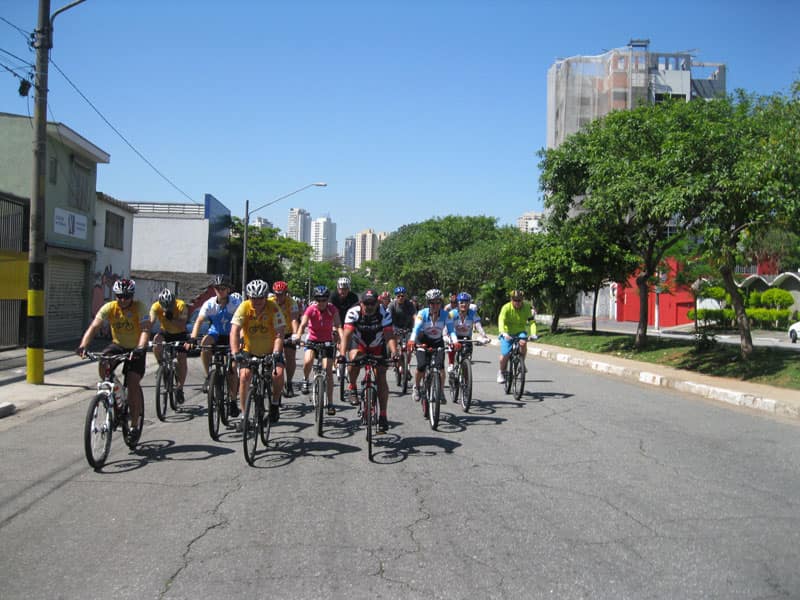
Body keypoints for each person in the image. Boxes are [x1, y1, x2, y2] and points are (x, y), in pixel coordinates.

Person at [77, 278, 150, 439]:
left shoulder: (140, 307)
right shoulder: (109, 307)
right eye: (119, 296)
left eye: (126, 296)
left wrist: (140, 348)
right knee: (103, 362)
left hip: (136, 347)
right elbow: (94, 326)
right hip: (118, 345)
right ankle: (116, 391)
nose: (123, 300)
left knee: (132, 382)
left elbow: (145, 330)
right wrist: (83, 346)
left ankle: (134, 424)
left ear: (132, 296)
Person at [339, 289, 398, 432]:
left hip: (377, 345)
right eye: (366, 303)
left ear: (377, 303)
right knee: (353, 360)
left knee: (381, 377)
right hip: (358, 343)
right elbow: (347, 335)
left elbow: (389, 335)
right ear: (361, 303)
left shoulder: (384, 313)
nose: (369, 306)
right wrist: (341, 355)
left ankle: (383, 415)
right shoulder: (353, 312)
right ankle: (352, 387)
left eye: (372, 303)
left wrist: (395, 352)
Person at [230, 279, 286, 426]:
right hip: (250, 350)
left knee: (278, 374)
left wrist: (276, 352)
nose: (257, 301)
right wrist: (235, 352)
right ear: (249, 297)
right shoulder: (244, 307)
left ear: (266, 297)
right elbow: (234, 331)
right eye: (253, 298)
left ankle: (274, 404)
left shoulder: (273, 308)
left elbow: (280, 333)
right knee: (244, 376)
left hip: (271, 350)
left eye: (260, 298)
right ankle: (244, 416)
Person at [187, 274, 242, 409]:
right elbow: (199, 321)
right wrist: (192, 338)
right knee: (204, 343)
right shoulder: (209, 303)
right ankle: (208, 376)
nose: (220, 291)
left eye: (223, 288)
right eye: (217, 288)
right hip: (216, 334)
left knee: (232, 368)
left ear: (228, 289)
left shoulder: (235, 303)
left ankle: (233, 400)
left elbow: (243, 324)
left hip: (231, 336)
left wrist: (242, 340)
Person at [294, 285, 343, 415]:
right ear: (315, 300)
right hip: (312, 340)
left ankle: (330, 403)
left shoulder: (332, 309)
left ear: (327, 299)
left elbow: (338, 325)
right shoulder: (311, 309)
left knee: (328, 370)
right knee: (308, 360)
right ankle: (305, 379)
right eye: (318, 300)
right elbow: (303, 324)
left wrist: (342, 339)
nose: (321, 302)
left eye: (324, 300)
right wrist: (298, 335)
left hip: (327, 341)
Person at [408, 288, 457, 403]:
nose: (435, 305)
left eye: (437, 302)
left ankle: (440, 391)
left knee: (441, 367)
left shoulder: (446, 315)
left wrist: (455, 342)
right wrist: (412, 340)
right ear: (428, 303)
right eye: (432, 303)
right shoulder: (422, 314)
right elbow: (416, 329)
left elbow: (451, 331)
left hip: (437, 341)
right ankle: (416, 387)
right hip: (423, 340)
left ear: (441, 303)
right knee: (421, 365)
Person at [150, 288, 189, 403]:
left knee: (182, 358)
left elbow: (182, 325)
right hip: (165, 332)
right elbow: (151, 322)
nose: (168, 308)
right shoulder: (156, 307)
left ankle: (180, 388)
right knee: (156, 341)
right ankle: (161, 364)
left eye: (170, 305)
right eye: (164, 306)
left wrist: (171, 318)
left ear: (173, 302)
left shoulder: (181, 305)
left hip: (180, 333)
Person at [497, 289, 536, 384]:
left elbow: (532, 322)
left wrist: (533, 333)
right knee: (505, 355)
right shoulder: (506, 307)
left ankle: (521, 363)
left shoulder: (527, 307)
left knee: (523, 343)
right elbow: (501, 320)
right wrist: (503, 332)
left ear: (522, 299)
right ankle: (501, 372)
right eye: (515, 300)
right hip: (507, 333)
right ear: (511, 299)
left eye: (519, 300)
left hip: (520, 332)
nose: (517, 302)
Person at [271, 280, 300, 397]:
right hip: (273, 333)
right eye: (276, 294)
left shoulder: (291, 303)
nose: (279, 296)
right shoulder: (270, 302)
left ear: (286, 293)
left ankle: (289, 382)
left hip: (287, 332)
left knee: (290, 357)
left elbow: (294, 319)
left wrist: (295, 334)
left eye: (281, 294)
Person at [447, 291, 489, 371]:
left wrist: (484, 336)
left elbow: (478, 325)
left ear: (469, 303)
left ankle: (465, 374)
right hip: (455, 337)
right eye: (461, 302)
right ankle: (451, 364)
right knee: (451, 347)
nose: (464, 304)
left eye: (466, 302)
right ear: (458, 303)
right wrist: (446, 336)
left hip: (467, 338)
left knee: (467, 357)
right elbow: (447, 326)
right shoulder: (452, 313)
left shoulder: (473, 313)